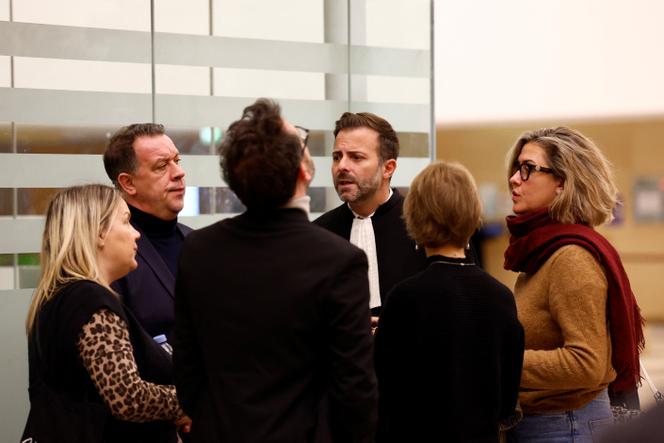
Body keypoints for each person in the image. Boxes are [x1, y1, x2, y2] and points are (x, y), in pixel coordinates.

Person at [173, 99, 378, 442]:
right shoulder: (338, 261)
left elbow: (188, 376)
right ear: (304, 172)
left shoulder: (199, 251)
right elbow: (355, 393)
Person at [503, 127, 644, 442]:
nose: (514, 178)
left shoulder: (570, 257)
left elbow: (586, 363)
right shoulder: (541, 252)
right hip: (551, 423)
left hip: (565, 426)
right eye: (516, 168)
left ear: (563, 183)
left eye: (527, 169)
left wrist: (498, 359)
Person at [22, 184, 188, 443]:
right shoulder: (91, 302)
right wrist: (187, 402)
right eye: (126, 222)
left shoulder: (57, 297)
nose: (136, 235)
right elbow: (127, 397)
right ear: (100, 232)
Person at [374, 161, 524, 443]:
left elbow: (386, 397)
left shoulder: (404, 298)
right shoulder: (502, 297)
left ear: (414, 217)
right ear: (473, 213)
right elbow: (507, 403)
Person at [314, 112, 427, 324]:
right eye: (337, 157)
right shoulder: (319, 234)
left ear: (388, 168)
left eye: (356, 157)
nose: (342, 166)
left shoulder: (426, 226)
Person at [103, 123, 192, 343]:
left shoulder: (197, 243)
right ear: (128, 183)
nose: (179, 173)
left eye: (177, 161)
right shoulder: (109, 254)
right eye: (162, 166)